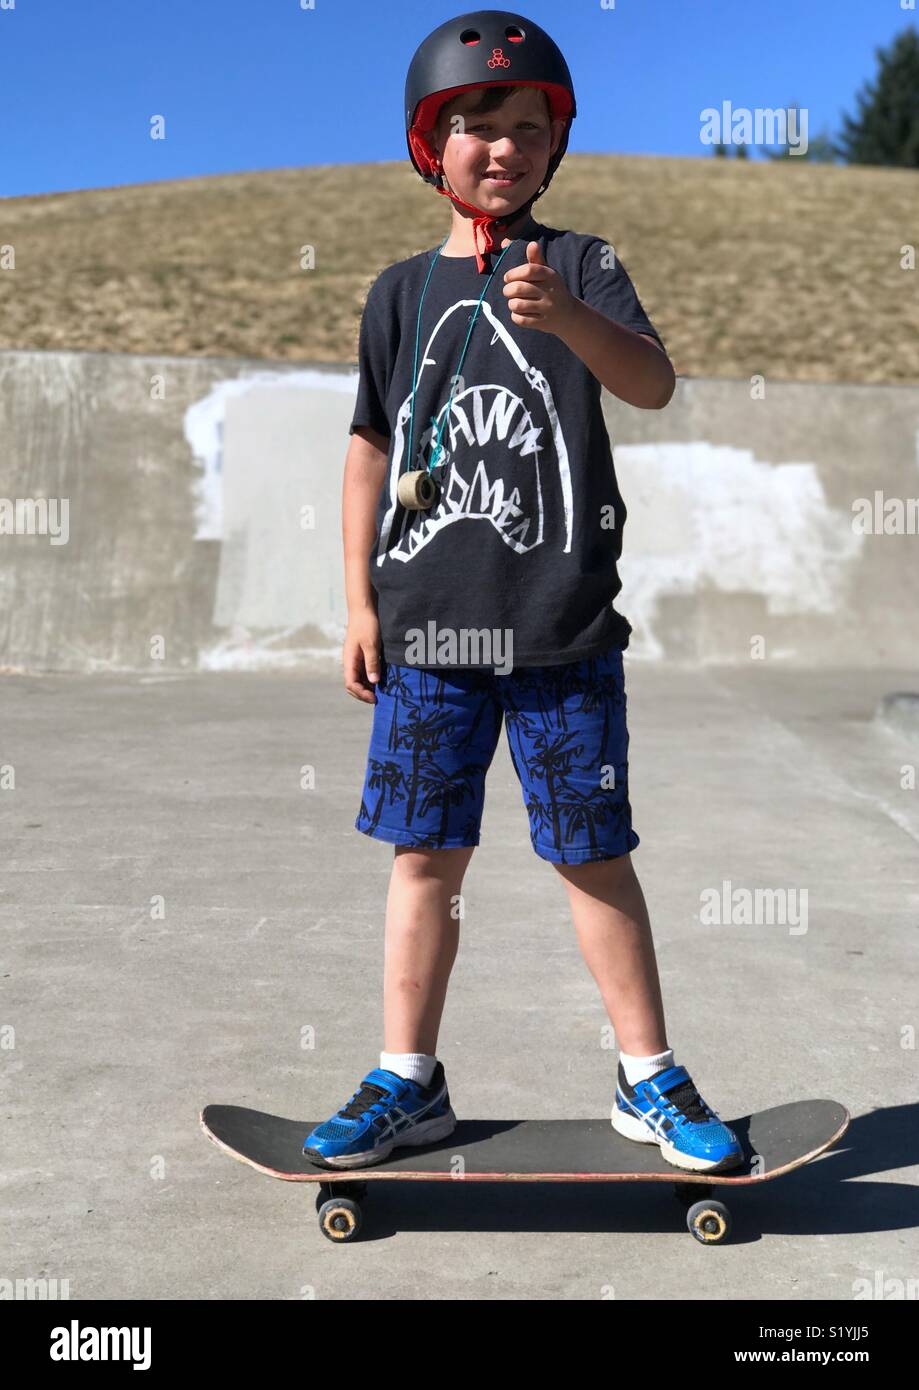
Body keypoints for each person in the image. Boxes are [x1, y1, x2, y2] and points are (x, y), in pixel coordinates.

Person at [304, 10, 742, 1174]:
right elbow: (366, 451)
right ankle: (407, 1078)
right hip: (426, 639)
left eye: (525, 129)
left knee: (591, 854)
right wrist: (358, 603)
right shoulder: (398, 294)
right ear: (429, 148)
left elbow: (648, 385)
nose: (501, 148)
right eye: (476, 128)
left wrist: (573, 318)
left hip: (562, 636)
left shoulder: (583, 262)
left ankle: (647, 1075)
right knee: (423, 859)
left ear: (553, 149)